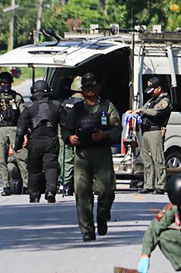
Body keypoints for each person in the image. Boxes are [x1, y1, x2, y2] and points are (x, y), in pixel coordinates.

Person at [63, 73, 121, 241]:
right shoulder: (77, 109)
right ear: (82, 90)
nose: (89, 89)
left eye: (92, 86)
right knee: (82, 193)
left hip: (101, 153)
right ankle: (87, 230)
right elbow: (66, 129)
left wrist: (105, 135)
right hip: (82, 155)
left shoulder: (107, 106)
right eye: (86, 86)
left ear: (97, 87)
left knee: (107, 190)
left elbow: (117, 128)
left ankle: (103, 216)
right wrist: (69, 138)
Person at [14, 80, 64, 203]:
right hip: (51, 139)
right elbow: (66, 123)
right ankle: (51, 191)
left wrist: (17, 145)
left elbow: (20, 129)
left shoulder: (29, 107)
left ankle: (34, 195)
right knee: (51, 165)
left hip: (35, 140)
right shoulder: (56, 105)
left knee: (34, 168)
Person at [0, 71, 28, 196]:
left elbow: (23, 116)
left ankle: (26, 185)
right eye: (3, 83)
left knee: (21, 157)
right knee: (1, 159)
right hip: (0, 130)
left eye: (7, 83)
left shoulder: (17, 97)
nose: (5, 85)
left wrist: (24, 133)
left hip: (15, 129)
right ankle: (5, 186)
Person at [128, 76, 172, 194]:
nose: (151, 92)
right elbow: (143, 108)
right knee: (146, 159)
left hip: (155, 131)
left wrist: (141, 111)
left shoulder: (164, 100)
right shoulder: (152, 100)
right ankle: (149, 184)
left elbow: (155, 112)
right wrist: (133, 112)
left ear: (159, 88)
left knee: (158, 159)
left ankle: (161, 185)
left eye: (153, 89)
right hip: (146, 131)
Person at [57, 76, 82, 197]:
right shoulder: (86, 103)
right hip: (82, 136)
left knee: (67, 160)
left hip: (66, 135)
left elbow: (60, 120)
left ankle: (66, 184)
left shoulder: (65, 103)